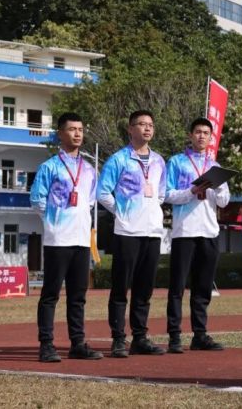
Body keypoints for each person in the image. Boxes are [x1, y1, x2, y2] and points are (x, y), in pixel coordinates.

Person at [31, 112, 103, 362]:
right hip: (58, 240)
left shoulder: (90, 169)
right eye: (72, 129)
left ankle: (78, 343)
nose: (77, 134)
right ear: (60, 133)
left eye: (80, 129)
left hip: (81, 241)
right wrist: (54, 222)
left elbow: (90, 201)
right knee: (50, 295)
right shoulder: (49, 167)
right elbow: (37, 200)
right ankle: (46, 345)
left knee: (78, 296)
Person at [98, 110, 167, 358]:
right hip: (127, 231)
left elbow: (161, 193)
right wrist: (123, 211)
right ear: (130, 128)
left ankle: (140, 337)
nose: (147, 128)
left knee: (144, 288)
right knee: (121, 287)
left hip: (152, 232)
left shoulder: (159, 161)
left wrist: (151, 211)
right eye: (141, 124)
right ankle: (118, 338)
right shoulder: (119, 159)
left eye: (150, 125)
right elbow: (102, 192)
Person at [165, 117, 230, 353]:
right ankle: (174, 335)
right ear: (190, 135)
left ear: (211, 137)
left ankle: (199, 334)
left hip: (209, 231)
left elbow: (224, 201)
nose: (202, 136)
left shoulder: (215, 166)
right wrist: (191, 191)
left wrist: (218, 186)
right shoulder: (176, 162)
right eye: (198, 132)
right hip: (184, 231)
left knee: (203, 287)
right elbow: (167, 194)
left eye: (206, 133)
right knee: (177, 286)